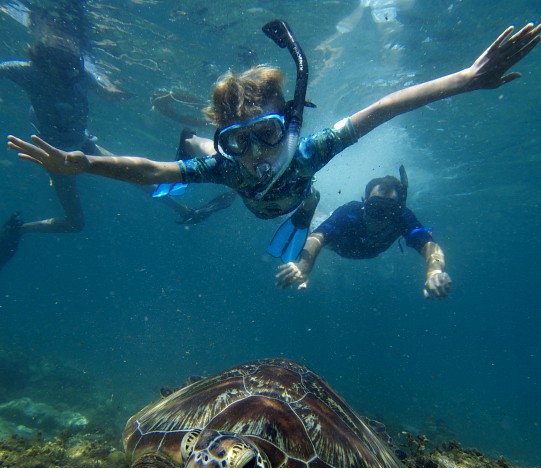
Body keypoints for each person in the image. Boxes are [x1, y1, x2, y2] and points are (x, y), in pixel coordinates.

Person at [6, 20, 540, 264]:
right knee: (198, 155)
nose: (257, 154)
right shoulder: (230, 166)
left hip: (287, 200)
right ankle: (192, 136)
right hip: (232, 182)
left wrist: (467, 79)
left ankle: (296, 212)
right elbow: (149, 171)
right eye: (240, 142)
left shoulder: (310, 150)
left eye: (265, 135)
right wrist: (84, 162)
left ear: (286, 124)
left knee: (308, 197)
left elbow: (381, 108)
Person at [0, 1, 235, 270]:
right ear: (43, 52)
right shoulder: (28, 71)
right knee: (75, 223)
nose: (65, 66)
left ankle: (185, 212)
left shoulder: (77, 71)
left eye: (69, 56)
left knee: (144, 178)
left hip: (85, 143)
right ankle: (21, 230)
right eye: (58, 55)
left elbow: (104, 90)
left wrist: (114, 92)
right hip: (56, 157)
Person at [276, 167, 452, 299]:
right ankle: (307, 203)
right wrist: (303, 267)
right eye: (375, 207)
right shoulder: (350, 213)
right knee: (315, 224)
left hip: (361, 248)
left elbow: (430, 245)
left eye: (389, 209)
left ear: (398, 210)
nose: (381, 217)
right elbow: (317, 238)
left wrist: (434, 272)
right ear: (364, 203)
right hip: (336, 242)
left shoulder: (402, 218)